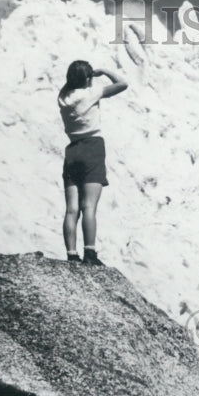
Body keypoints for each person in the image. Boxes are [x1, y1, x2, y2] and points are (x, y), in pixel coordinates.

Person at [58, 59, 127, 265]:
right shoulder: (91, 93)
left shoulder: (63, 97)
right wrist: (103, 70)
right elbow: (123, 84)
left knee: (72, 209)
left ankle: (71, 254)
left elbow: (69, 85)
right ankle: (89, 253)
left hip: (72, 151)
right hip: (92, 148)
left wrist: (79, 77)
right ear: (88, 79)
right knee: (89, 206)